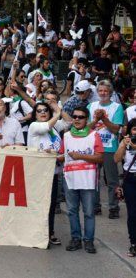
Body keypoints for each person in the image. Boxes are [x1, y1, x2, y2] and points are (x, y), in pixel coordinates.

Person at [61, 106, 104, 254]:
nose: (77, 119)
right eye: (75, 117)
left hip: (88, 180)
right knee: (72, 211)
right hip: (70, 179)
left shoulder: (94, 135)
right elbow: (62, 156)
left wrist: (80, 156)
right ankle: (76, 239)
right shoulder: (66, 136)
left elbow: (100, 157)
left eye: (81, 117)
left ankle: (89, 241)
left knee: (89, 212)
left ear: (87, 119)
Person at [27, 101, 63, 246]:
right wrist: (57, 113)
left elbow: (68, 122)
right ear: (35, 114)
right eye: (39, 111)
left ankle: (50, 232)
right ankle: (37, 235)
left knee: (51, 205)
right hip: (38, 173)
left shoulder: (54, 126)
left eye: (45, 110)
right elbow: (46, 126)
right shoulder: (34, 126)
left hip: (53, 173)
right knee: (39, 205)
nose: (43, 112)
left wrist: (59, 110)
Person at [88, 80, 124, 219]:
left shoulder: (117, 107)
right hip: (94, 147)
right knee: (93, 178)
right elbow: (87, 128)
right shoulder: (91, 106)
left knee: (112, 180)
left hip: (110, 147)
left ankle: (113, 208)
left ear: (110, 93)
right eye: (101, 90)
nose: (103, 93)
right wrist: (96, 119)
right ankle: (95, 206)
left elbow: (116, 129)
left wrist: (104, 119)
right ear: (97, 92)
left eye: (106, 91)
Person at [114, 119, 136, 257]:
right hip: (130, 179)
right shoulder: (126, 142)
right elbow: (116, 159)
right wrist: (123, 144)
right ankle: (134, 243)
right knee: (133, 213)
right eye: (134, 129)